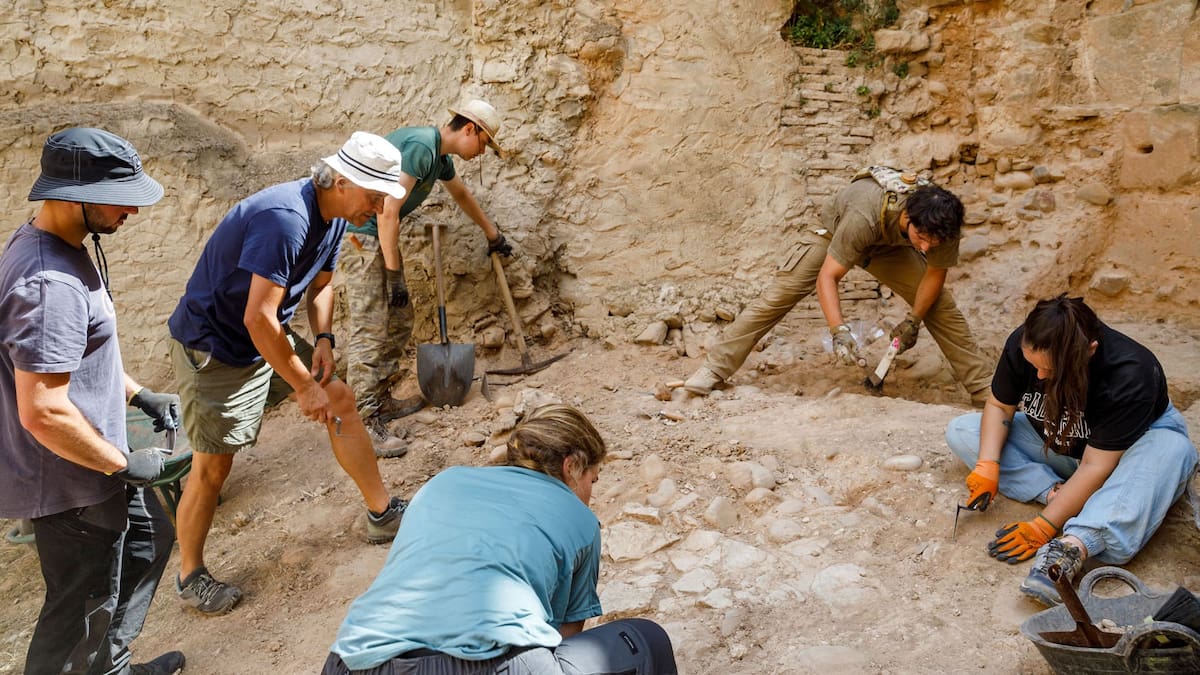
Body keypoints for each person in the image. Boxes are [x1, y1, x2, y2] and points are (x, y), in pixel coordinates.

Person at [167, 132, 412, 616]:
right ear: (342, 182)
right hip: (214, 346)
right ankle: (189, 575)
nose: (380, 207)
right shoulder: (285, 219)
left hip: (263, 335)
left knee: (339, 398)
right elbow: (257, 317)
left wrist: (324, 340)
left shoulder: (337, 217)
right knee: (213, 466)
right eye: (374, 195)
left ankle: (382, 513)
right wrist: (302, 385)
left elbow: (322, 287)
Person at [0, 127, 185, 674]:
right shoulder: (48, 283)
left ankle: (112, 665)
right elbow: (43, 410)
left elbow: (77, 355)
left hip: (96, 465)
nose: (133, 210)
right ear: (73, 195)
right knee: (77, 617)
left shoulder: (61, 249)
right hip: (71, 484)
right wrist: (122, 463)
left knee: (148, 543)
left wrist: (138, 393)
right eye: (121, 197)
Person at [323, 404, 678, 675]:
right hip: (487, 665)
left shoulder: (444, 482)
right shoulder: (580, 519)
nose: (590, 494)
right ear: (571, 467)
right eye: (592, 480)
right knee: (647, 639)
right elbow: (563, 636)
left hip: (351, 660)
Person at [945, 294, 1197, 606]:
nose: (1038, 377)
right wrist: (987, 464)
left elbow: (1095, 465)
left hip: (1125, 455)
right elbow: (1000, 406)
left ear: (1089, 351)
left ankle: (1073, 546)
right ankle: (1056, 493)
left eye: (1049, 370)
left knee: (1173, 449)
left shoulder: (1131, 373)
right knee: (964, 431)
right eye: (1033, 366)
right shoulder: (1024, 343)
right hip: (1062, 446)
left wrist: (1044, 526)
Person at [684, 168, 992, 406]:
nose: (925, 248)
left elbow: (934, 275)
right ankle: (713, 369)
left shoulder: (942, 225)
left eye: (932, 243)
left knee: (940, 306)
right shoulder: (864, 213)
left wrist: (914, 320)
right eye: (921, 238)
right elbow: (828, 277)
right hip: (833, 234)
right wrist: (839, 332)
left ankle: (984, 390)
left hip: (888, 248)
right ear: (908, 217)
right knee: (780, 295)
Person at [342, 99, 515, 431]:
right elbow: (388, 212)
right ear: (469, 129)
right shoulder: (422, 145)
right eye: (484, 143)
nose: (482, 152)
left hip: (376, 237)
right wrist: (394, 275)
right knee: (371, 324)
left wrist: (492, 234)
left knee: (400, 319)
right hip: (359, 237)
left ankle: (378, 399)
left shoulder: (439, 158)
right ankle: (362, 422)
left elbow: (461, 195)